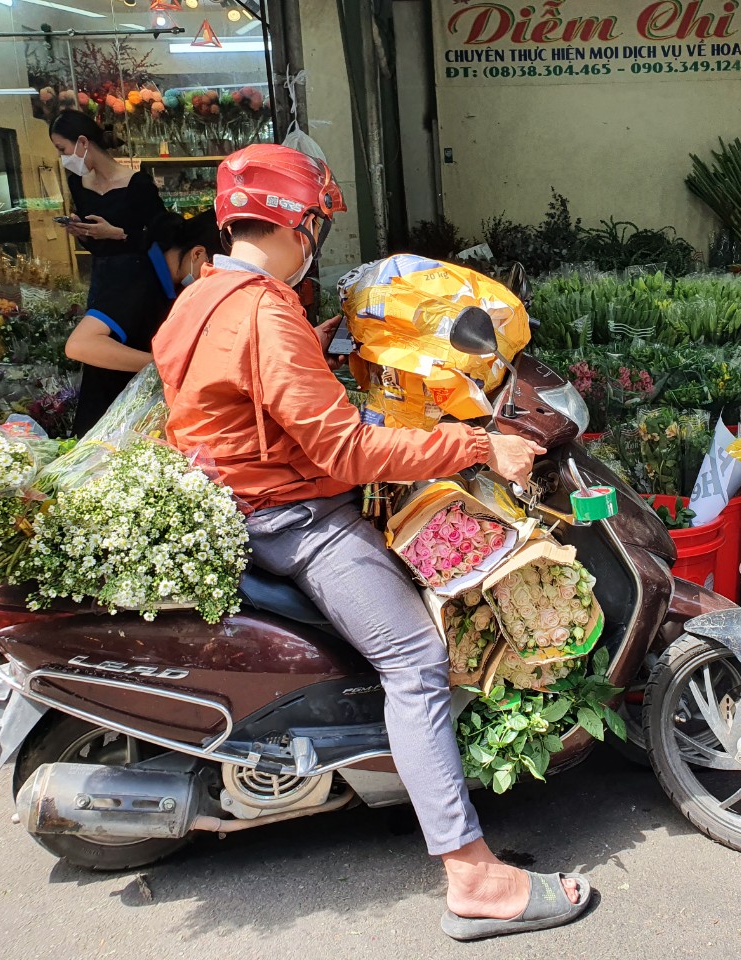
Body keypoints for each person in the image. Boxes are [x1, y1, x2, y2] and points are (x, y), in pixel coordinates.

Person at [151, 144, 593, 941]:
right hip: (294, 520)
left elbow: (238, 393)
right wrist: (477, 447)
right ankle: (474, 877)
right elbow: (346, 452)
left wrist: (321, 347)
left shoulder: (204, 296)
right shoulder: (264, 310)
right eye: (318, 220)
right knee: (417, 660)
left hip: (244, 500)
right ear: (301, 221)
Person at [67, 210, 223, 436]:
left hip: (135, 423)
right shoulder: (137, 277)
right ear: (198, 254)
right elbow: (80, 345)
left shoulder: (171, 285)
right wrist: (160, 366)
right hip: (104, 425)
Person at [49, 110, 166, 305]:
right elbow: (97, 248)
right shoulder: (78, 185)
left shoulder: (138, 184)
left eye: (62, 149)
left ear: (83, 142)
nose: (63, 158)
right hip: (103, 281)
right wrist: (82, 232)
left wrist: (118, 233)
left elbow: (165, 236)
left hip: (140, 281)